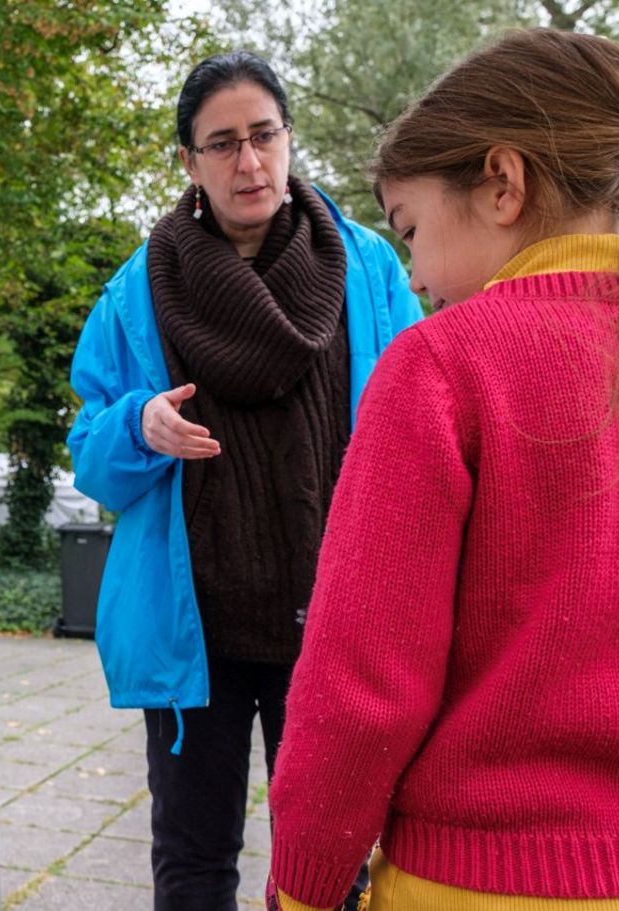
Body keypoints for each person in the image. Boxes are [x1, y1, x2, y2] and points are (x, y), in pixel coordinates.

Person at [265, 27, 619, 911]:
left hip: (478, 885)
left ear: (503, 184)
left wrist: (305, 890)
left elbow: (360, 690)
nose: (418, 276)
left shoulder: (441, 366)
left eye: (411, 232)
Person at [67, 50, 420, 910]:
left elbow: (419, 424)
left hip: (335, 624)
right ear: (189, 162)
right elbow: (90, 452)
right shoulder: (138, 289)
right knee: (191, 860)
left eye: (263, 135)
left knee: (335, 866)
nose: (248, 162)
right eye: (221, 143)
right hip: (200, 637)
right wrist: (138, 424)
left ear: (290, 139)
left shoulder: (368, 271)